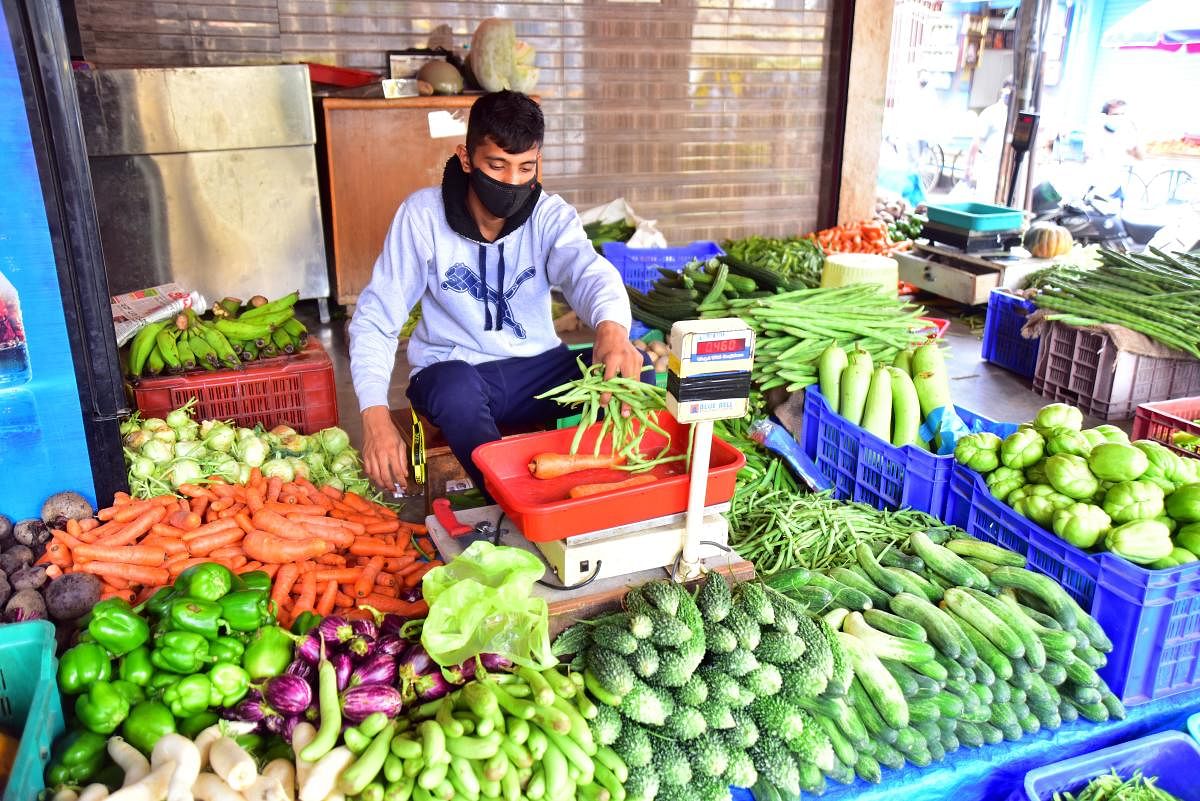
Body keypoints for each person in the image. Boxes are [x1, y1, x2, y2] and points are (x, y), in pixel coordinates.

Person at [349, 90, 644, 497]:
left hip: (538, 372)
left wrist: (613, 330)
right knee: (455, 390)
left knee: (630, 371)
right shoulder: (422, 217)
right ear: (467, 158)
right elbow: (376, 318)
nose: (513, 182)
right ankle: (510, 499)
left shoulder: (549, 216)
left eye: (526, 167)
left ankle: (599, 491)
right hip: (454, 373)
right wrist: (374, 416)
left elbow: (587, 272)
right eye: (498, 165)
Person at [965, 79, 1013, 202]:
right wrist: (969, 167)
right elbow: (976, 141)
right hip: (988, 168)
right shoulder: (992, 112)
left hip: (1007, 171)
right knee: (985, 200)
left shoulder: (1014, 114)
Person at [1088, 99, 1143, 202]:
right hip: (1097, 190)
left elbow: (1140, 157)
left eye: (1122, 115)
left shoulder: (1124, 133)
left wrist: (1136, 133)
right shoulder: (1096, 133)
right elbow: (1091, 159)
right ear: (1106, 115)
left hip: (1115, 188)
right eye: (1116, 114)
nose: (1119, 118)